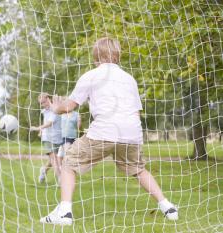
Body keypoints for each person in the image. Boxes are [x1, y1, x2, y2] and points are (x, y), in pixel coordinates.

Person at [40, 37, 178, 225]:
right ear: (117, 55)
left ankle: (64, 213)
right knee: (139, 169)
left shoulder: (91, 75)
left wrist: (55, 107)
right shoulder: (130, 79)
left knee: (68, 163)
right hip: (131, 134)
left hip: (104, 132)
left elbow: (68, 107)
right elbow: (136, 113)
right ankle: (168, 207)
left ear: (96, 55)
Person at [31, 93, 63, 183]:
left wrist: (38, 128)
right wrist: (41, 131)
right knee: (54, 159)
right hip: (47, 138)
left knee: (52, 160)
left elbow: (50, 123)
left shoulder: (56, 109)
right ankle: (61, 179)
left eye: (44, 102)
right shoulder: (45, 111)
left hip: (57, 137)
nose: (42, 105)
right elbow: (47, 122)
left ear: (49, 99)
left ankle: (43, 171)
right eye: (41, 103)